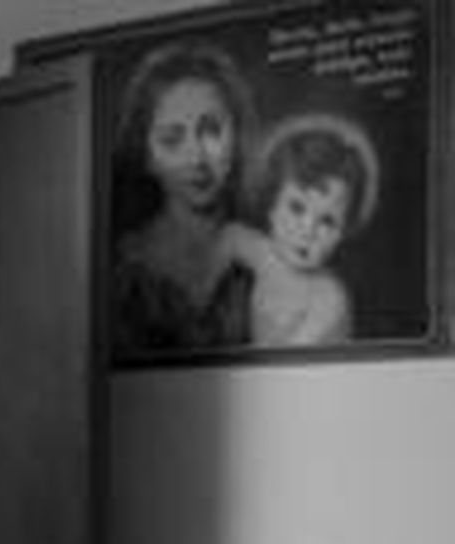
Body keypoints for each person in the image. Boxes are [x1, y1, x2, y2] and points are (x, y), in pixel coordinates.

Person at [111, 40, 258, 354]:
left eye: (212, 131)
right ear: (147, 155)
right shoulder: (123, 271)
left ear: (237, 135)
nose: (197, 159)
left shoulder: (266, 254)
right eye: (172, 139)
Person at [217, 111, 379, 347]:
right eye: (296, 208)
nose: (308, 231)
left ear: (343, 233)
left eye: (327, 222)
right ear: (271, 204)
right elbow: (230, 236)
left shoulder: (328, 297)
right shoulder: (261, 252)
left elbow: (283, 361)